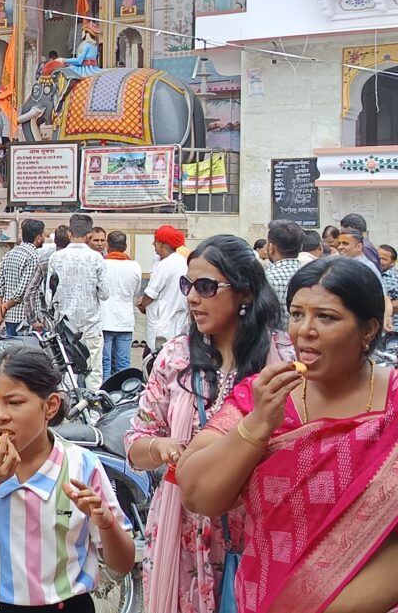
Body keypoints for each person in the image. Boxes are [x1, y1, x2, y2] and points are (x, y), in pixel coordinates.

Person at [177, 258, 398, 613]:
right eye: (297, 314)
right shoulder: (263, 396)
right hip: (274, 599)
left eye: (326, 317)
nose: (305, 331)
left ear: (368, 329)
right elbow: (196, 494)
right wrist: (256, 426)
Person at [124, 235, 294, 613]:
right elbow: (135, 442)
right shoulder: (176, 356)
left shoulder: (283, 358)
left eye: (206, 286)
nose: (192, 298)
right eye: (188, 286)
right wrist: (161, 448)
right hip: (183, 527)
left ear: (245, 292)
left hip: (260, 529)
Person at [0, 346, 135, 612]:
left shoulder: (80, 465)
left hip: (68, 605)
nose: (0, 416)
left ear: (50, 406)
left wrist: (107, 524)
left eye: (14, 402)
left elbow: (122, 563)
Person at [46, 216, 109, 391]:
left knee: (66, 372)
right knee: (94, 372)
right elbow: (104, 294)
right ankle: (94, 413)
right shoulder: (96, 258)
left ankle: (68, 410)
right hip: (91, 325)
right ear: (89, 235)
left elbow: (48, 296)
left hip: (64, 327)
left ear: (69, 233)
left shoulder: (56, 258)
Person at [139, 225, 190, 354]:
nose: (153, 244)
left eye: (155, 242)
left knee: (155, 360)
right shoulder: (182, 262)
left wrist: (142, 304)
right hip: (175, 321)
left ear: (161, 244)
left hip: (162, 322)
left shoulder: (166, 265)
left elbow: (151, 293)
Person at [0, 219, 44, 338]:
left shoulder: (10, 254)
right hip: (26, 319)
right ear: (38, 238)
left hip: (9, 317)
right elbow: (23, 290)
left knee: (12, 353)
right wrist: (5, 306)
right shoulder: (34, 256)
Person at [101, 231, 142, 380]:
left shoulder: (102, 264)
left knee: (104, 363)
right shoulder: (134, 266)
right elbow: (136, 291)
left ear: (107, 246)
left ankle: (104, 395)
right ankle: (122, 396)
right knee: (123, 363)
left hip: (104, 319)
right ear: (125, 246)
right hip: (125, 320)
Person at [24, 225, 70, 330]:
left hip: (49, 320)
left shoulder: (45, 264)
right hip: (73, 322)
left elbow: (29, 294)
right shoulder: (78, 264)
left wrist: (33, 321)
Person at [265, 219, 303, 328]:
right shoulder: (312, 275)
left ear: (271, 248)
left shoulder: (267, 279)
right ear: (300, 247)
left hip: (276, 343)